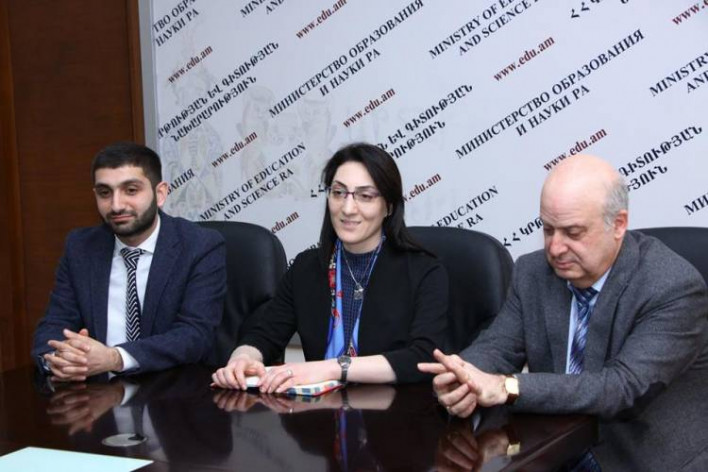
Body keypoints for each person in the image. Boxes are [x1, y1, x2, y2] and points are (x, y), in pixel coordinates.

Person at [419, 154, 708, 420]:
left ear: (618, 224)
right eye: (548, 229)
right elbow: (498, 347)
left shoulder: (672, 286)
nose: (555, 248)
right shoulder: (532, 271)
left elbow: (622, 387)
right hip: (551, 439)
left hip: (634, 449)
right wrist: (463, 377)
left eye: (573, 232)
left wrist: (507, 387)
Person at [212, 143, 448, 391]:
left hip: (394, 409)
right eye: (338, 193)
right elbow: (264, 335)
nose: (347, 208)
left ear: (388, 206)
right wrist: (242, 358)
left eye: (365, 196)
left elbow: (423, 358)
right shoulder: (306, 267)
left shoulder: (424, 271)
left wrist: (333, 367)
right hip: (320, 409)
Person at [32, 142, 227, 381]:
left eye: (131, 190)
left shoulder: (199, 246)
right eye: (105, 193)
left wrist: (115, 358)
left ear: (160, 193)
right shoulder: (81, 247)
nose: (116, 205)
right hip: (97, 394)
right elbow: (55, 324)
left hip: (174, 392)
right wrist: (58, 360)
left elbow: (195, 335)